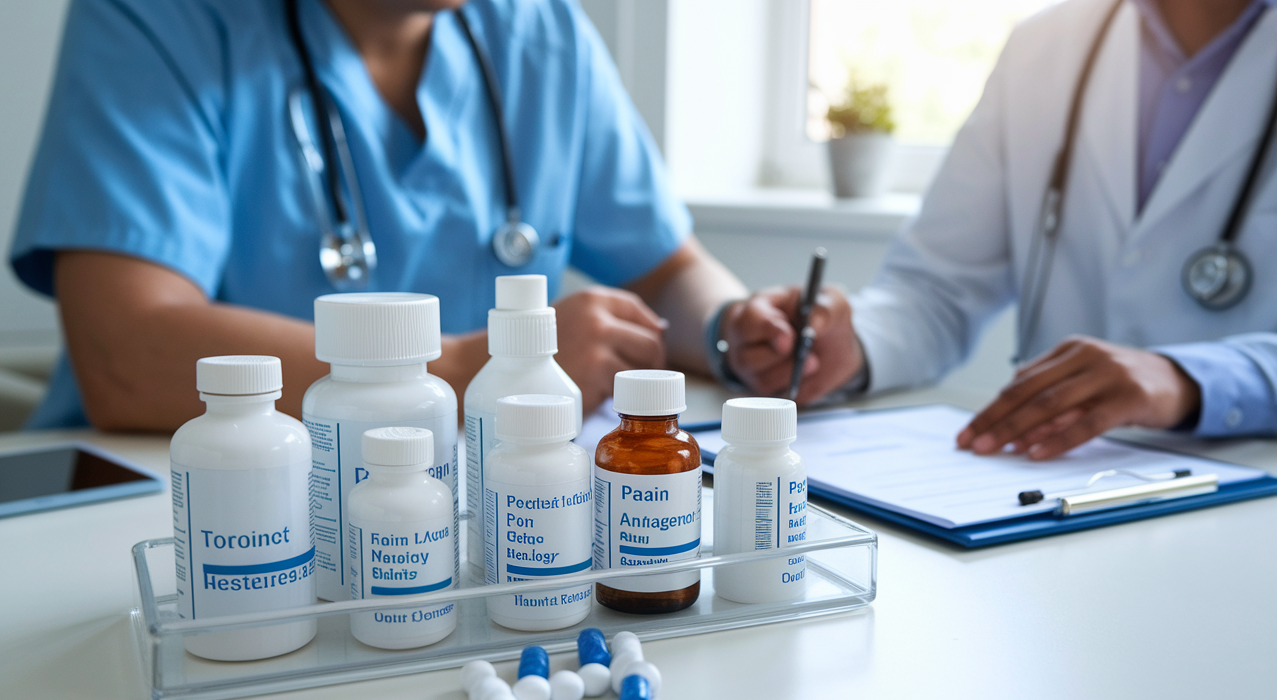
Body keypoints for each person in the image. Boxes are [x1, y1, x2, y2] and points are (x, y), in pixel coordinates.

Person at [9, 0, 746, 432]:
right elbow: (125, 356)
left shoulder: (540, 30)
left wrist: (736, 331)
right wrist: (458, 372)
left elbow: (670, 271)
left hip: (467, 501)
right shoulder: (157, 19)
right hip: (180, 504)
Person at [718, 0, 1277, 460]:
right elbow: (936, 290)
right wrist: (850, 346)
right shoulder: (1047, 45)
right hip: (1048, 482)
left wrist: (1191, 379)